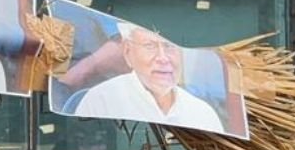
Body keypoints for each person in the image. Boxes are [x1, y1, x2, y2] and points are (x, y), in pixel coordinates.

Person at [73, 26, 224, 132]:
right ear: (127, 52)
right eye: (150, 46)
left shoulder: (202, 113)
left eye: (170, 46)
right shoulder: (101, 100)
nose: (163, 58)